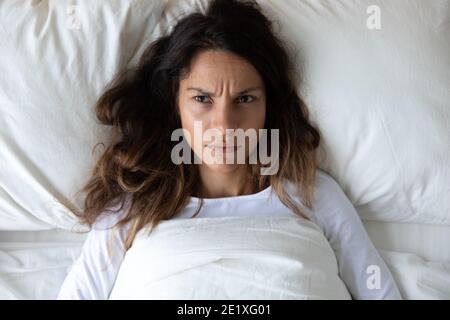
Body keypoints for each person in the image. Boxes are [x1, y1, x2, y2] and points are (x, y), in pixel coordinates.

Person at [57, 0, 402, 300]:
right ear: (175, 104)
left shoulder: (315, 195)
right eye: (202, 99)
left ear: (269, 106)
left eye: (245, 99)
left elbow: (379, 291)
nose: (224, 125)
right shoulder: (132, 203)